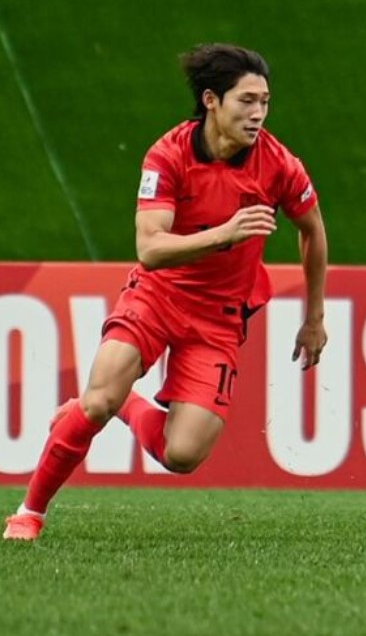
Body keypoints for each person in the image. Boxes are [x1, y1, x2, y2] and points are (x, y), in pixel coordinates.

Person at [4, 44, 328, 541]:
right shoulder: (168, 154)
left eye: (265, 101)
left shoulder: (279, 164)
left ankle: (127, 404)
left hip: (219, 316)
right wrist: (225, 233)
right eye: (246, 100)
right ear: (211, 100)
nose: (259, 113)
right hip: (157, 296)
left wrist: (314, 317)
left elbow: (313, 230)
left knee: (183, 454)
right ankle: (29, 513)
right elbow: (150, 249)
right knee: (95, 404)